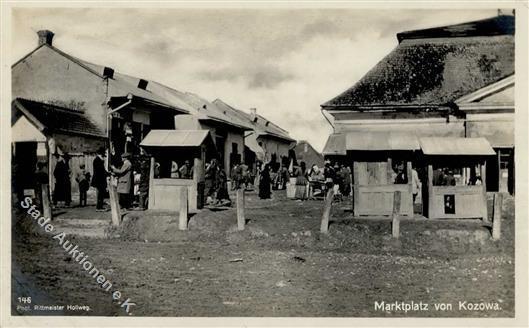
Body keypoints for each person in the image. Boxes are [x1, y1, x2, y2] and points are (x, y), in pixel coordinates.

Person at [92, 147, 108, 211]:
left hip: (100, 179)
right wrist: (107, 173)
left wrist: (107, 173)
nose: (104, 157)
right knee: (100, 194)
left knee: (101, 193)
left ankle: (100, 206)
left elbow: (102, 170)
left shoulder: (98, 160)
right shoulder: (97, 160)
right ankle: (99, 207)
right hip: (99, 180)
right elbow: (100, 171)